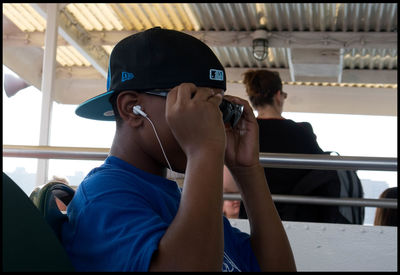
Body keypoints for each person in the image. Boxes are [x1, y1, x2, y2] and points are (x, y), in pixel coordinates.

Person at [60, 27, 296, 272]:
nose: (213, 123)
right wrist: (203, 150)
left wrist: (248, 171)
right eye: (197, 105)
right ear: (132, 108)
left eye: (219, 109)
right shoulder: (103, 196)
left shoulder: (182, 202)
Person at [240, 69, 347, 223]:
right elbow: (321, 172)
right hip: (296, 216)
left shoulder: (244, 131)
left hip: (251, 212)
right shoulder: (302, 131)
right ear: (278, 95)